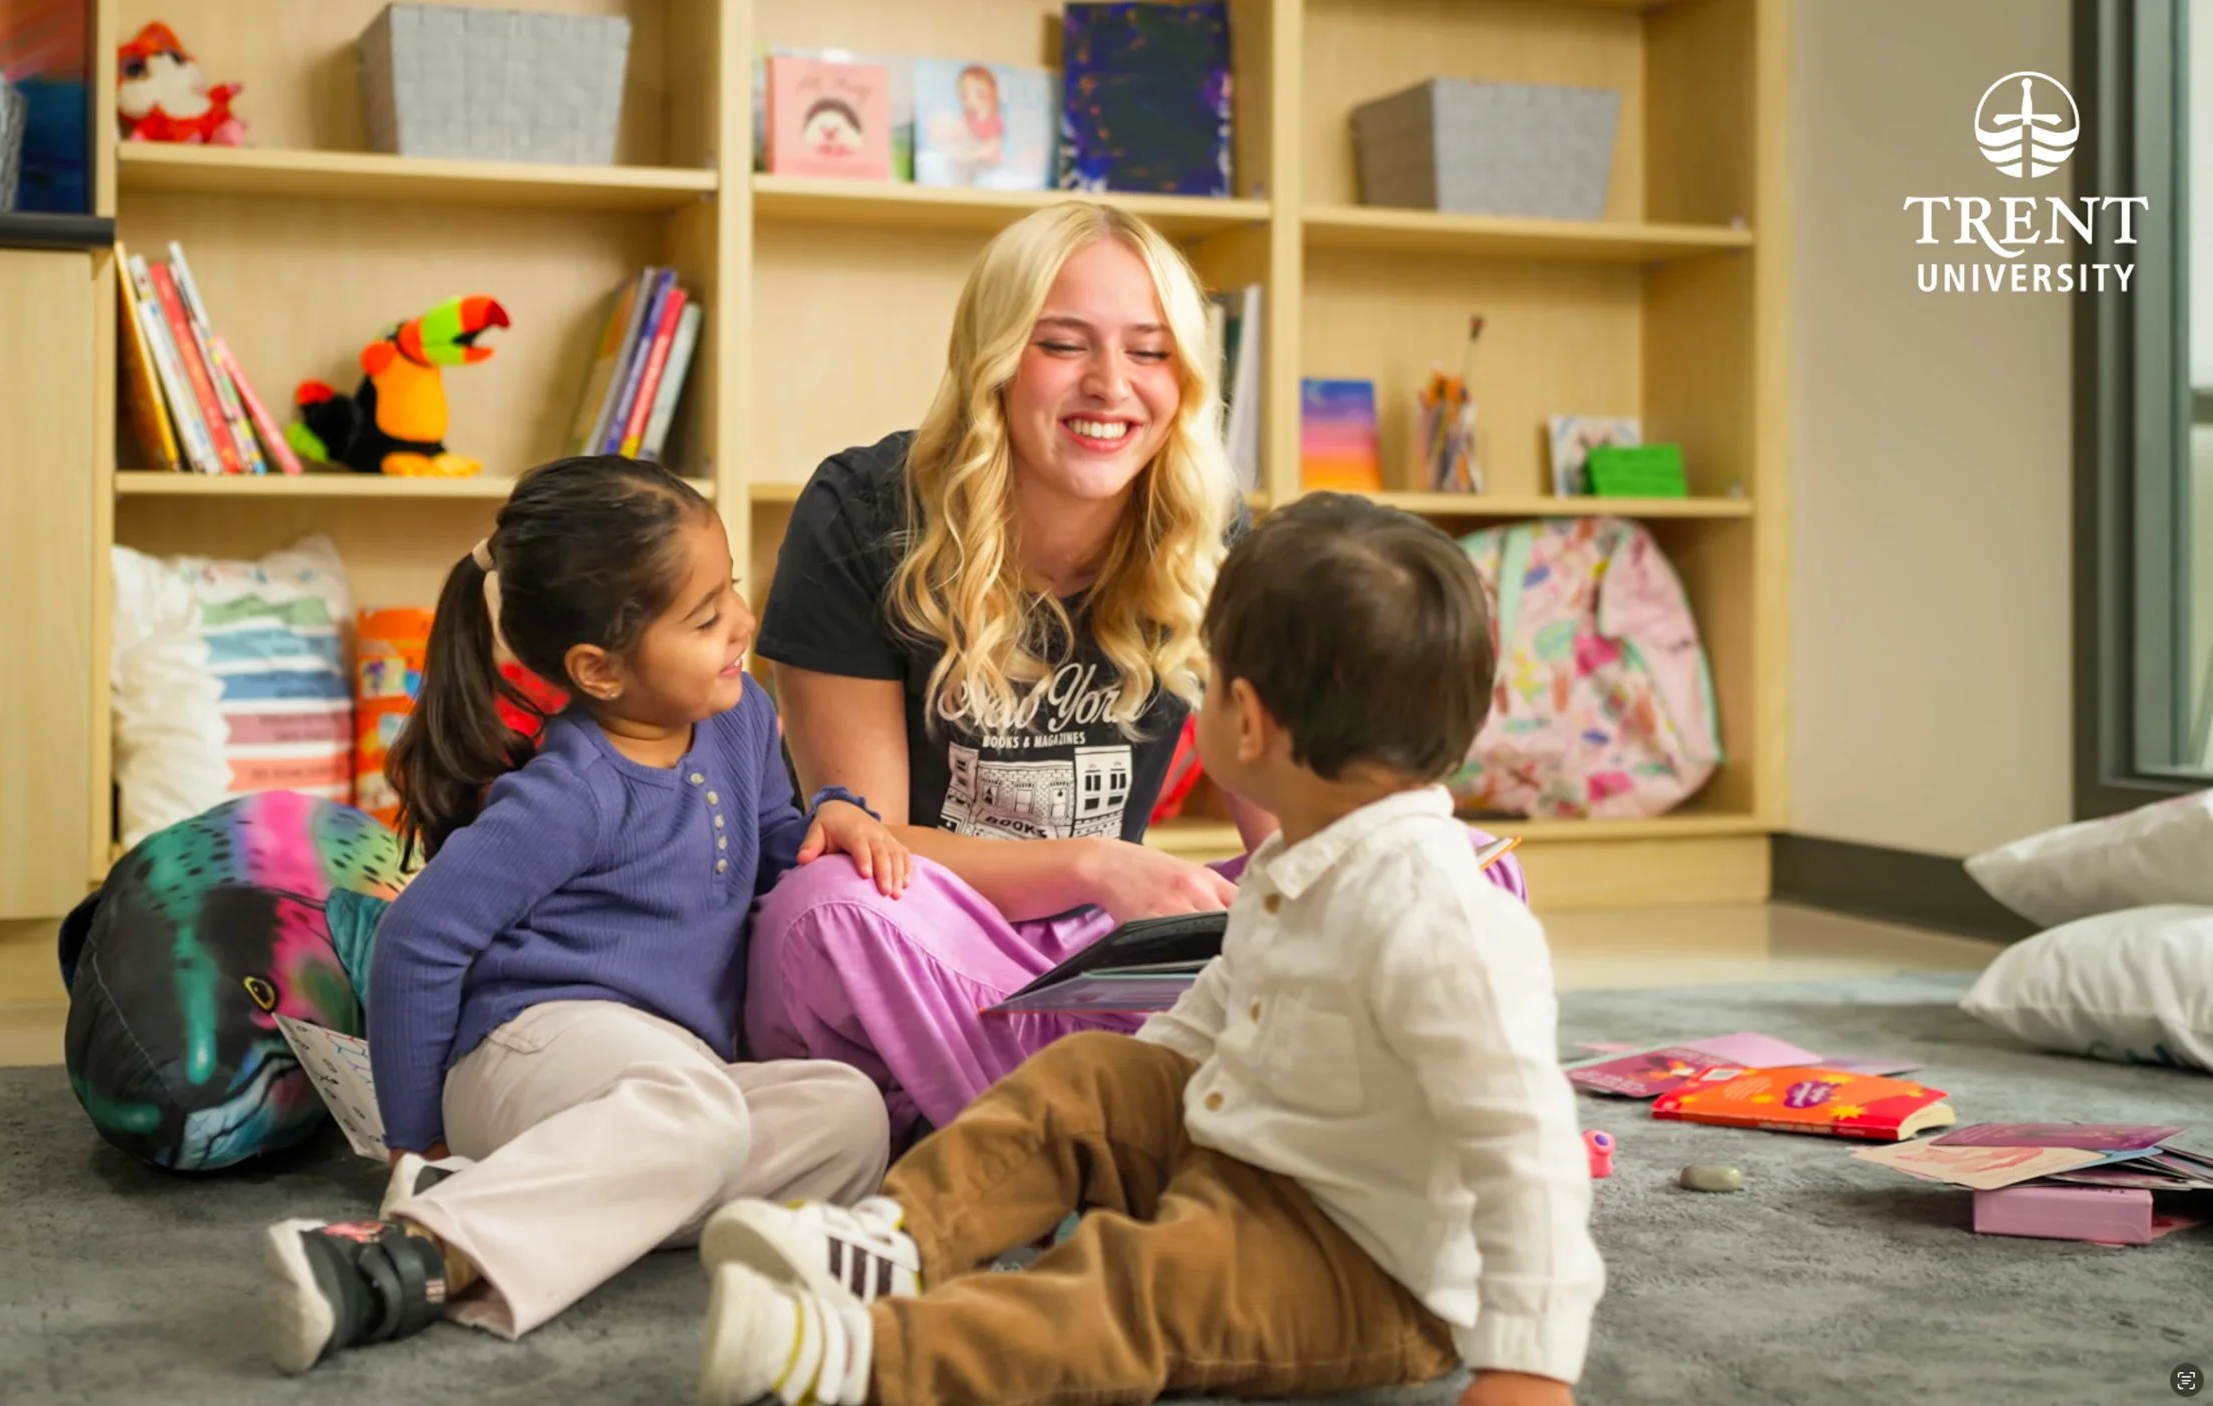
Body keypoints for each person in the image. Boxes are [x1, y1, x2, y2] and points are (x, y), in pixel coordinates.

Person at [691, 495, 1605, 1406]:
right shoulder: (1306, 855)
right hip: (1247, 1142)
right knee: (1088, 1079)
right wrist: (1128, 1111)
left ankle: (859, 1359)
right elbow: (1220, 1002)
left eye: (1208, 673)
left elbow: (1529, 1149)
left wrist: (1527, 1367)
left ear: (1246, 719)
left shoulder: (1442, 917)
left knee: (1137, 1289)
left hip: (1360, 1265)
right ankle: (896, 1242)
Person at [747, 199, 1529, 1142]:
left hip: (1107, 957)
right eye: (1063, 345)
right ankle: (1150, 1128)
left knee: (1448, 870)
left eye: (1151, 353)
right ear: (996, 357)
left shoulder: (1204, 524)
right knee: (825, 912)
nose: (1111, 386)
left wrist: (1375, 884)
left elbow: (1293, 832)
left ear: (1185, 376)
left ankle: (1047, 1121)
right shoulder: (863, 512)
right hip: (926, 941)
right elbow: (870, 844)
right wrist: (1097, 863)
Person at [257, 456, 913, 1374]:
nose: (742, 621)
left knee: (848, 1115)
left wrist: (830, 815)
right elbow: (417, 939)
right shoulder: (569, 794)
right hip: (529, 1051)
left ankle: (547, 1209)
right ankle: (409, 1248)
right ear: (598, 670)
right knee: (696, 1114)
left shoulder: (739, 717)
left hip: (662, 1075)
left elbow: (770, 839)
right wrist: (415, 1141)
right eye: (705, 618)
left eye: (731, 588)